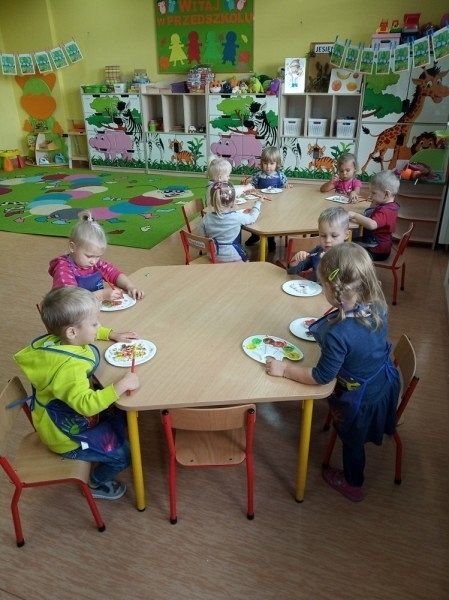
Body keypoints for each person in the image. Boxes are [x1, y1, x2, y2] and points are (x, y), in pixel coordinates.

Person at [265, 243, 400, 502]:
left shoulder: (338, 334)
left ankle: (353, 483)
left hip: (360, 400)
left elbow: (321, 377)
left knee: (352, 443)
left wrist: (285, 369)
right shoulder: (377, 304)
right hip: (385, 382)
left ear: (331, 290)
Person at [14, 287, 140, 500]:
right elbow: (86, 406)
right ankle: (96, 484)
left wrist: (110, 334)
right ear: (72, 332)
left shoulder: (57, 339)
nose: (98, 326)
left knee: (119, 413)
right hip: (64, 436)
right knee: (124, 455)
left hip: (67, 412)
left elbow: (85, 332)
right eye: (94, 324)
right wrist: (120, 386)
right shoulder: (69, 370)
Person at [48, 211, 144, 302]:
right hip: (70, 311)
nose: (93, 261)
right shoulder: (63, 268)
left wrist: (130, 286)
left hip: (91, 308)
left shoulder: (96, 264)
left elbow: (115, 274)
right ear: (73, 247)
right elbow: (71, 299)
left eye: (97, 256)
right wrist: (101, 295)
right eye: (89, 256)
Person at [198, 181, 261, 262]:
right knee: (248, 258)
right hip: (234, 257)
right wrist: (258, 203)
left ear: (213, 202)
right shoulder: (237, 217)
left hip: (213, 256)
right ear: (233, 201)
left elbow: (201, 235)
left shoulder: (206, 217)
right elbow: (252, 218)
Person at [348, 170, 400, 261]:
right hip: (380, 246)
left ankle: (354, 269)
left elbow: (372, 224)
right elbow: (372, 210)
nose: (371, 195)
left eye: (373, 193)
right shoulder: (390, 205)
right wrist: (374, 200)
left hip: (377, 250)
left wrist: (355, 215)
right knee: (351, 240)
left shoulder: (385, 211)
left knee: (346, 250)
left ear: (386, 194)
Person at [245, 146, 288, 252]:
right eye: (265, 163)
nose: (268, 167)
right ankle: (255, 235)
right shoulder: (258, 175)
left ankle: (271, 239)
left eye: (272, 163)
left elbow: (285, 187)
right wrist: (249, 187)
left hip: (274, 204)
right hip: (260, 202)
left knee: (270, 221)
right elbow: (252, 186)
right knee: (256, 218)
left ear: (277, 164)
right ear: (261, 163)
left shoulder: (280, 175)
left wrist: (287, 186)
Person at [287, 206, 350, 280]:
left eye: (334, 236)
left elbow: (344, 284)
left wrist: (327, 264)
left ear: (346, 235)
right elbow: (292, 272)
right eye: (323, 235)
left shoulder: (350, 258)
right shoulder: (318, 251)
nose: (328, 240)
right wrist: (295, 261)